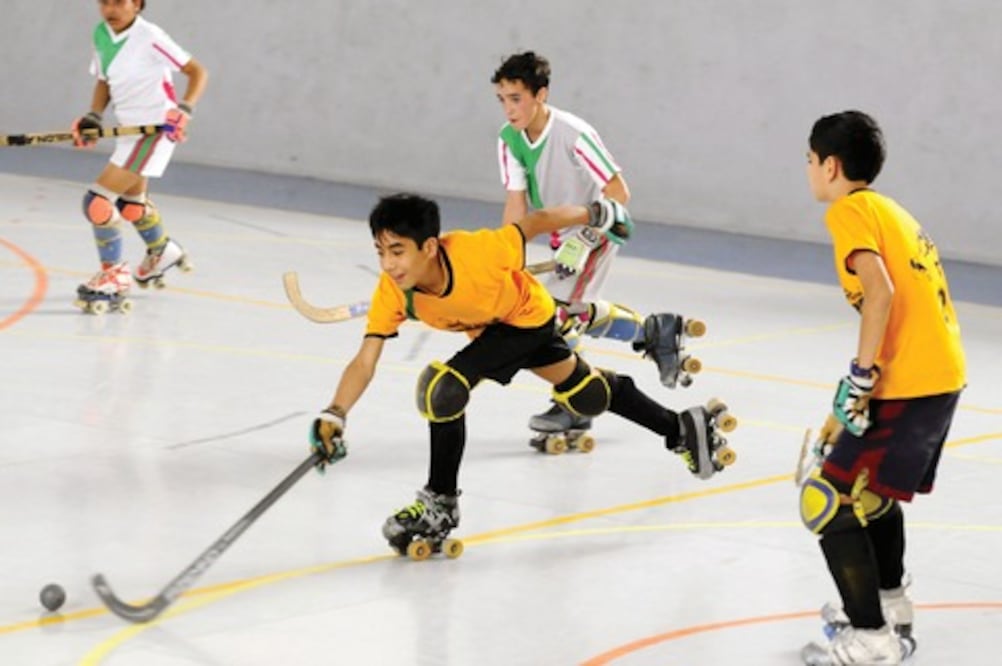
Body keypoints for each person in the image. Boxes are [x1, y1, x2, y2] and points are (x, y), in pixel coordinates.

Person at [308, 193, 736, 555]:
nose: (388, 264)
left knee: (442, 388)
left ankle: (439, 502)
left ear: (430, 247)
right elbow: (365, 359)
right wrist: (335, 414)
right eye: (380, 252)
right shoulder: (393, 293)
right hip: (494, 331)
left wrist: (598, 214)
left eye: (397, 251)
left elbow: (535, 222)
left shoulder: (480, 251)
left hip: (529, 318)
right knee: (586, 394)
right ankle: (681, 427)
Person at [799, 111, 966, 665]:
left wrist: (860, 378)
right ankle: (890, 607)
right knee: (868, 496)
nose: (807, 170)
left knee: (826, 498)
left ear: (831, 164)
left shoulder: (849, 212)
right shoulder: (889, 210)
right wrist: (855, 392)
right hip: (934, 376)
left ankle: (871, 638)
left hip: (911, 381)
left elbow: (881, 293)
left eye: (809, 159)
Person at [491, 51, 703, 449]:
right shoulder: (509, 141)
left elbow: (619, 193)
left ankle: (572, 402)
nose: (508, 108)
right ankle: (653, 332)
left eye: (516, 98)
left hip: (601, 228)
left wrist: (585, 237)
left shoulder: (573, 134)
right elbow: (516, 206)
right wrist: (505, 255)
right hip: (561, 235)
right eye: (501, 98)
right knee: (566, 310)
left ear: (541, 94)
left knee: (554, 314)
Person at [72, 0, 208, 312]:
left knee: (97, 202)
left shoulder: (150, 36)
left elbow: (197, 71)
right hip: (128, 130)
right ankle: (162, 250)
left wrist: (184, 110)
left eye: (119, 2)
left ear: (137, 4)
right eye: (104, 2)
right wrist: (94, 116)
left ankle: (114, 276)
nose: (110, 9)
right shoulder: (102, 34)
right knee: (130, 206)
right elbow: (105, 80)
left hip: (155, 129)